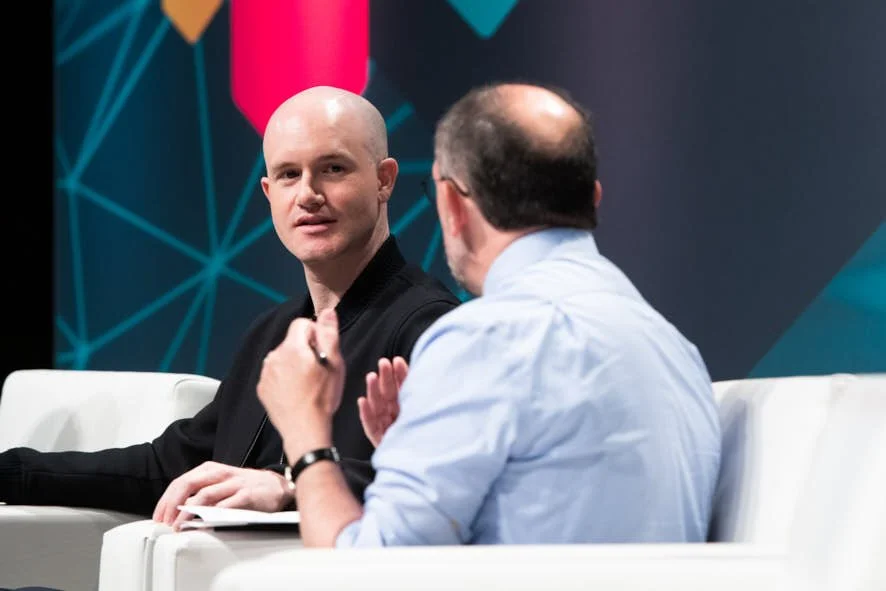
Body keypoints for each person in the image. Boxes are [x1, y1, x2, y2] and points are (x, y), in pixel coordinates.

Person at [257, 82, 722, 547]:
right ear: (593, 199)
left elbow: (367, 575)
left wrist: (306, 438)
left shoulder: (484, 339)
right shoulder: (675, 349)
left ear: (454, 205)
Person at [0, 86, 459, 529]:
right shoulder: (271, 334)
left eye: (333, 168)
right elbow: (168, 465)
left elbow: (449, 481)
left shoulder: (429, 325)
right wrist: (13, 473)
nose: (307, 194)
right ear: (267, 192)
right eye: (287, 175)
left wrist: (288, 484)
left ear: (384, 180)